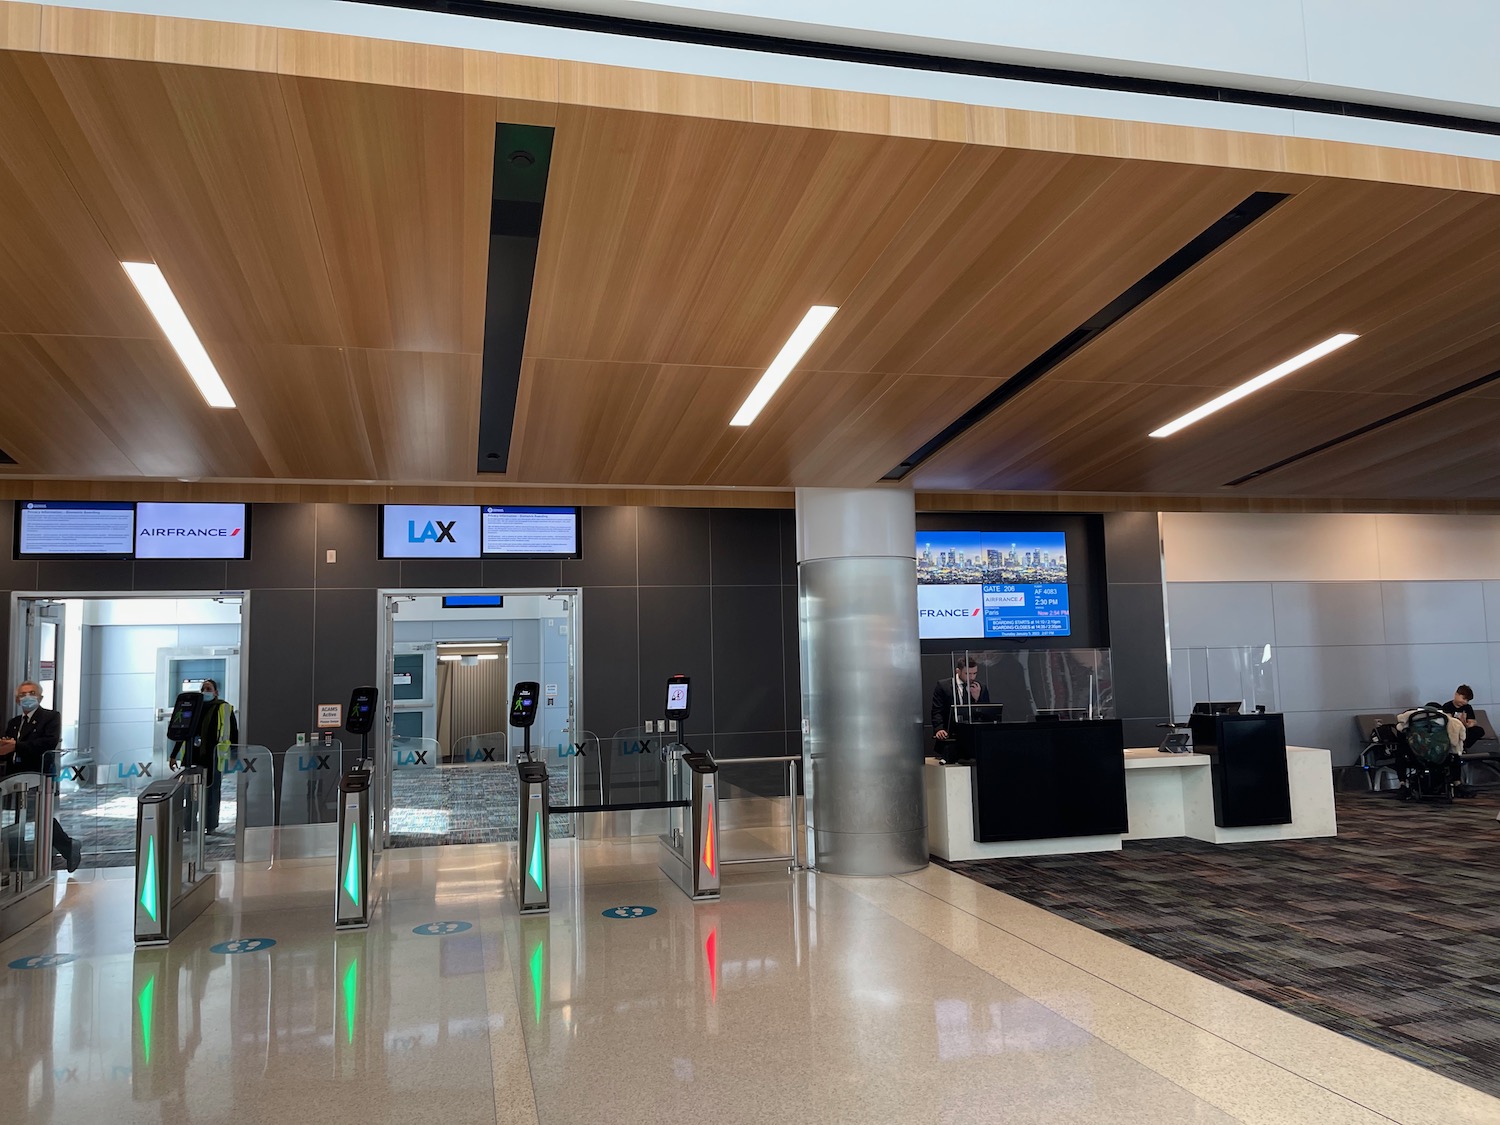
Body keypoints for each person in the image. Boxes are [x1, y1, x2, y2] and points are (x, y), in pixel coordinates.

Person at [0, 681, 82, 872]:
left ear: (40, 697)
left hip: (38, 775)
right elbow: (8, 747)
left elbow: (48, 743)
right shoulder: (14, 723)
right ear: (17, 699)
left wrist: (16, 746)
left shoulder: (50, 717)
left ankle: (68, 846)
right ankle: (17, 864)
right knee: (16, 819)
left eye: (31, 693)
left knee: (39, 815)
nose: (27, 697)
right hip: (14, 778)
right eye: (22, 694)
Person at [169, 678, 238, 833]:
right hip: (193, 757)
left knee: (212, 793)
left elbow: (233, 733)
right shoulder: (194, 708)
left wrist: (234, 755)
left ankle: (210, 825)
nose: (205, 691)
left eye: (208, 689)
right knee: (191, 793)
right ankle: (190, 825)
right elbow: (183, 732)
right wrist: (174, 755)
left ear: (216, 692)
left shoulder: (223, 708)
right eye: (203, 689)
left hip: (214, 757)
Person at [931, 657, 991, 749]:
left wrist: (977, 699)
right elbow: (937, 710)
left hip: (973, 740)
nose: (972, 677)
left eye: (974, 673)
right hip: (950, 737)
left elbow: (987, 715)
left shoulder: (980, 687)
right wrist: (939, 729)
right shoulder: (943, 686)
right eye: (968, 673)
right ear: (958, 671)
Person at [1441, 684, 1486, 751]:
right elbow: (1448, 721)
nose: (1465, 702)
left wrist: (1467, 723)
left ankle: (1464, 745)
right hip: (1452, 730)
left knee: (1479, 730)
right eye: (1464, 699)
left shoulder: (1468, 707)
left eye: (1467, 700)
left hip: (1464, 730)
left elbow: (1472, 721)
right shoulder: (1447, 706)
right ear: (1456, 694)